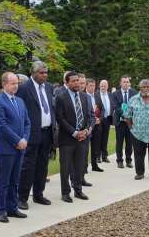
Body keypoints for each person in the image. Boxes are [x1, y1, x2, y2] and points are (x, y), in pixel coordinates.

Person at [0, 72, 30, 223]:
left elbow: (27, 122)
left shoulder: (20, 101)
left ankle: (12, 208)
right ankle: (1, 210)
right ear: (4, 84)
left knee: (15, 179)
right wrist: (17, 140)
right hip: (7, 149)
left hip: (21, 147)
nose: (16, 86)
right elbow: (2, 125)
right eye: (13, 83)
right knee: (4, 180)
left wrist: (25, 139)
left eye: (17, 83)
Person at [16, 61, 55, 210]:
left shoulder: (49, 87)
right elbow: (20, 111)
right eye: (41, 73)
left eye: (46, 73)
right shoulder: (24, 88)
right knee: (28, 166)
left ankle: (39, 194)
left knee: (42, 166)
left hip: (46, 132)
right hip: (31, 134)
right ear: (33, 73)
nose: (45, 75)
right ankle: (22, 197)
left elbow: (51, 108)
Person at [55, 71, 93, 203]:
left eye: (78, 80)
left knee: (79, 165)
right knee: (65, 167)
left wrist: (86, 130)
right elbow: (60, 118)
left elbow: (88, 116)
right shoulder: (61, 97)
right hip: (67, 138)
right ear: (66, 83)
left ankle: (78, 190)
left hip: (82, 138)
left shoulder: (84, 96)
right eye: (73, 81)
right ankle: (65, 192)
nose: (77, 83)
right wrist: (74, 132)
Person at [112, 76, 137, 168]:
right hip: (120, 122)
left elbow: (136, 106)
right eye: (124, 82)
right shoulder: (115, 94)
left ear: (129, 83)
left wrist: (129, 117)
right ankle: (119, 161)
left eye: (127, 82)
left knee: (129, 142)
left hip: (130, 122)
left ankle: (129, 160)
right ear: (120, 83)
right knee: (119, 142)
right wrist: (125, 116)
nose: (126, 83)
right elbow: (115, 107)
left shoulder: (134, 93)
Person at [85, 78, 104, 172]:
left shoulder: (97, 95)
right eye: (90, 85)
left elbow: (102, 109)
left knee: (95, 146)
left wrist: (99, 119)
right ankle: (84, 167)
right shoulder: (83, 96)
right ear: (86, 86)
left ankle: (94, 165)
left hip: (97, 125)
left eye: (94, 85)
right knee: (85, 147)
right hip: (87, 126)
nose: (92, 87)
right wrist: (91, 121)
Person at [96, 80, 114, 163]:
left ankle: (104, 156)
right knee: (98, 138)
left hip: (107, 119)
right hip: (99, 120)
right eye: (102, 86)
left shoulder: (110, 94)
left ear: (107, 86)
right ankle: (97, 156)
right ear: (99, 86)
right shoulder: (96, 94)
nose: (103, 87)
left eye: (105, 86)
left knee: (105, 138)